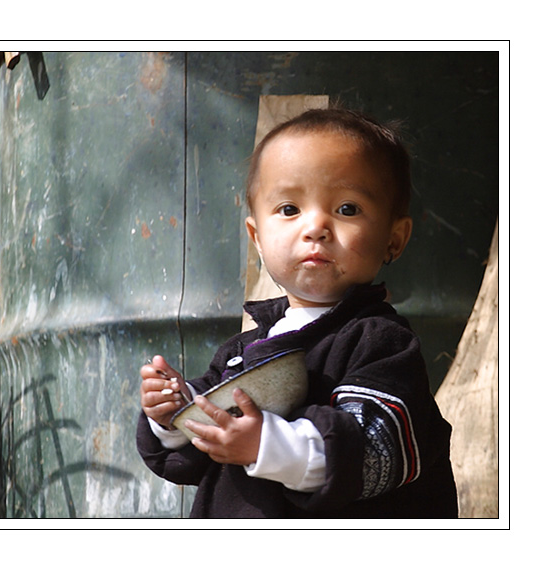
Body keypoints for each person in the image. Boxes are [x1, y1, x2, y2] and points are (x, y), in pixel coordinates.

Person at [136, 108, 458, 518]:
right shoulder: (242, 350)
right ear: (257, 237)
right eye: (289, 209)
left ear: (394, 238)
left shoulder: (380, 342)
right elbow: (193, 457)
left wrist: (266, 446)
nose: (316, 227)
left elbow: (378, 447)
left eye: (347, 209)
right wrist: (174, 411)